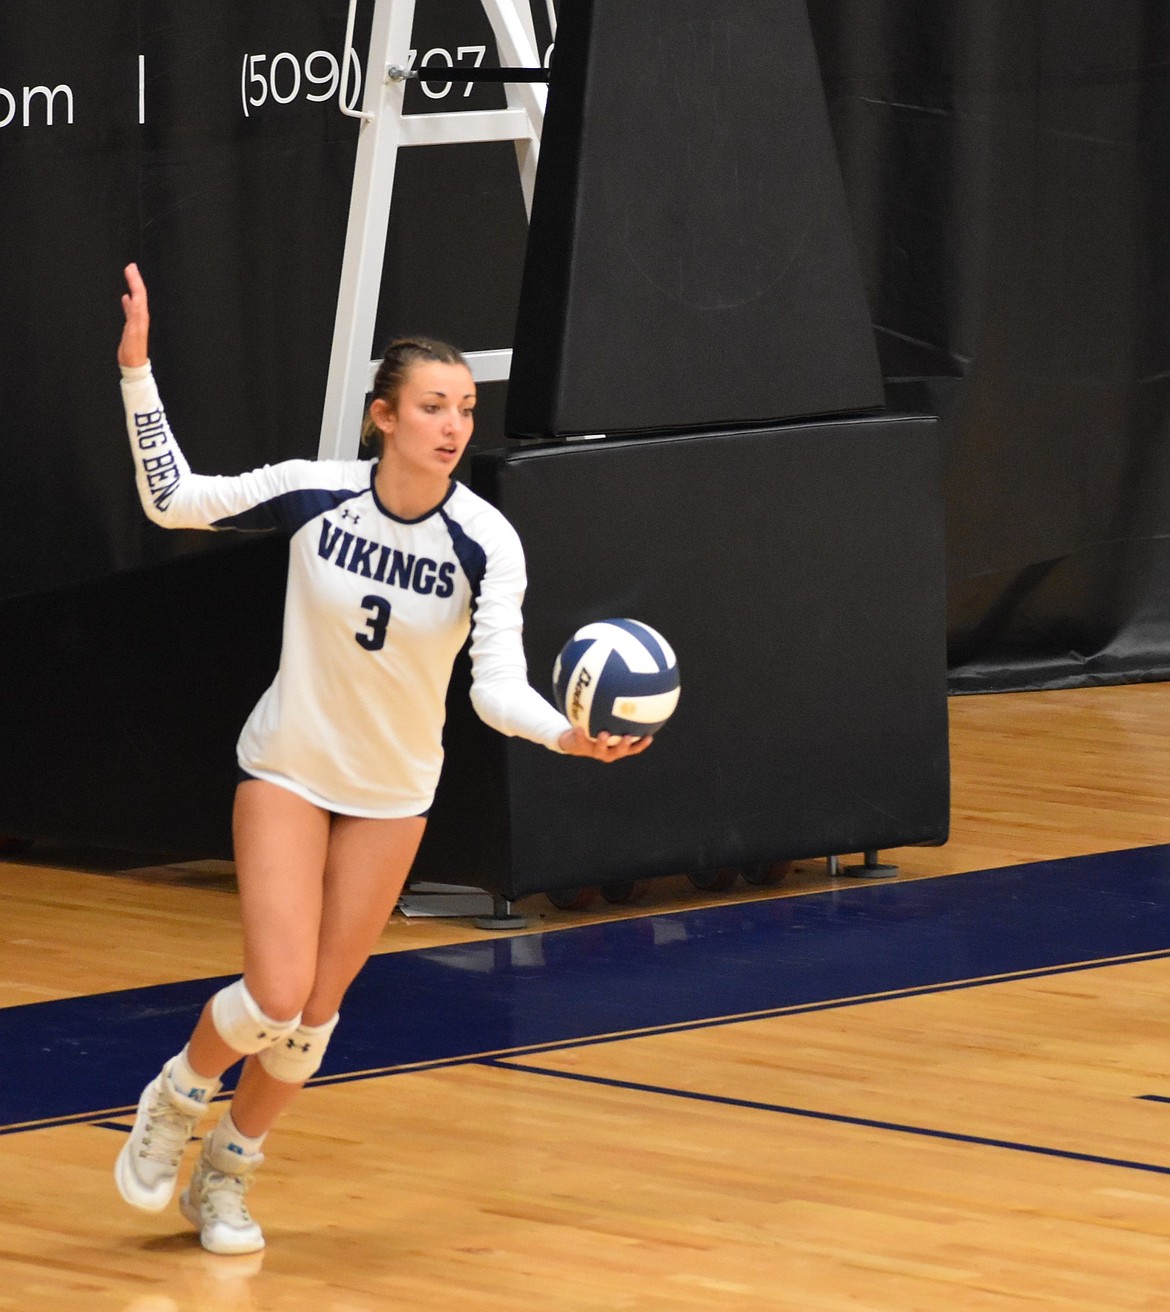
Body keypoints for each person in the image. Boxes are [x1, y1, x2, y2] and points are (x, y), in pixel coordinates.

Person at [113, 263, 650, 1256]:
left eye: (465, 408)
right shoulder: (315, 493)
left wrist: (565, 732)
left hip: (393, 792)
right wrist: (137, 371)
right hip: (289, 768)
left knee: (312, 1019)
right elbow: (173, 501)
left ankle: (228, 1171)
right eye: (434, 406)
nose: (453, 425)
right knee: (271, 993)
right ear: (384, 417)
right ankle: (176, 1096)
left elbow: (492, 686)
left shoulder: (487, 540)